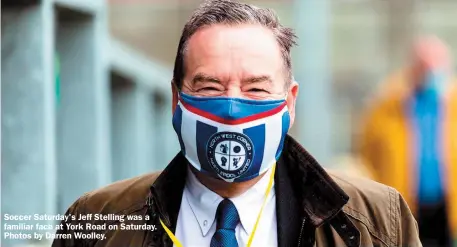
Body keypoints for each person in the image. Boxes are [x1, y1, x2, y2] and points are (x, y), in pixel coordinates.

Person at [52, 1, 421, 246]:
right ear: (176, 100)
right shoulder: (97, 221)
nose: (232, 108)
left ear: (290, 102)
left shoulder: (377, 223)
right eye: (210, 86)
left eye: (256, 88)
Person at [358, 36, 457, 247]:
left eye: (436, 64)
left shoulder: (452, 104)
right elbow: (368, 152)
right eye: (424, 65)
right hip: (405, 204)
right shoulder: (387, 105)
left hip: (449, 207)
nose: (431, 71)